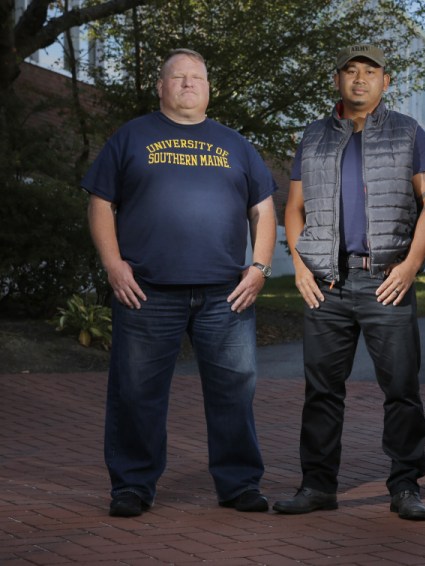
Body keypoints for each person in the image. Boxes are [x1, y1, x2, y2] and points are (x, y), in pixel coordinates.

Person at [82, 48, 277, 518]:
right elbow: (101, 202)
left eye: (197, 77)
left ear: (209, 88)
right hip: (147, 291)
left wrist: (260, 268)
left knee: (234, 391)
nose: (188, 83)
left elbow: (263, 211)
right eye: (178, 76)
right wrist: (113, 265)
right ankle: (131, 486)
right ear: (161, 86)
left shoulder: (236, 145)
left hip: (224, 295)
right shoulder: (131, 137)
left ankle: (238, 484)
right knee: (136, 392)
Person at [274, 44, 425, 521]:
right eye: (349, 70)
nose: (359, 79)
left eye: (370, 71)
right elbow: (294, 208)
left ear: (385, 82)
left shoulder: (409, 132)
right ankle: (317, 486)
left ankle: (406, 486)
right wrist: (302, 266)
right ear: (337, 81)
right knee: (322, 392)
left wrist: (410, 266)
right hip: (325, 284)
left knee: (401, 389)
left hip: (385, 279)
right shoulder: (312, 137)